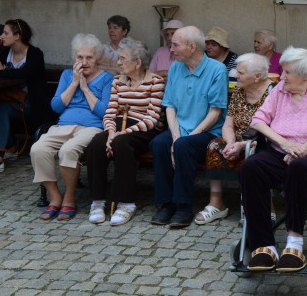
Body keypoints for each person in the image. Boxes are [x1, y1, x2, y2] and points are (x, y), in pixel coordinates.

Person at [240, 47, 307, 272]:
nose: (281, 77)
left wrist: (305, 147)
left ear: (305, 74)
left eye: (287, 72)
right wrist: (286, 144)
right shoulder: (279, 90)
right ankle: (264, 245)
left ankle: (294, 244)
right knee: (251, 166)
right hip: (280, 152)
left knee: (298, 168)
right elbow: (258, 121)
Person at [149, 26, 228, 228]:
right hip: (181, 129)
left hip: (208, 132)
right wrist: (175, 137)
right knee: (159, 143)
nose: (171, 49)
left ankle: (183, 206)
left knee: (185, 146)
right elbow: (170, 106)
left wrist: (184, 139)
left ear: (192, 47)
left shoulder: (217, 70)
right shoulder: (176, 67)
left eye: (175, 44)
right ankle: (166, 204)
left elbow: (215, 112)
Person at [30, 34, 114, 221]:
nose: (84, 62)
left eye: (89, 57)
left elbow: (105, 112)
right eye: (79, 57)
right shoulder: (67, 75)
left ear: (97, 58)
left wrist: (85, 88)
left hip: (91, 128)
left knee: (68, 150)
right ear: (74, 58)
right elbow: (56, 107)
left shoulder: (107, 78)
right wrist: (75, 82)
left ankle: (69, 198)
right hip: (63, 126)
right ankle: (54, 196)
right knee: (38, 149)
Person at [83, 38, 165, 226]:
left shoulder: (155, 81)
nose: (118, 62)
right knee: (97, 142)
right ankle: (97, 201)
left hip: (144, 129)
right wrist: (111, 133)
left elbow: (152, 119)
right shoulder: (118, 81)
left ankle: (126, 202)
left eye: (122, 58)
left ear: (137, 62)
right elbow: (110, 112)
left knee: (122, 143)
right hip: (118, 127)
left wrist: (123, 134)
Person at [196, 53, 272, 225]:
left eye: (240, 72)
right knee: (215, 146)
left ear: (257, 76)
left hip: (263, 141)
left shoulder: (273, 93)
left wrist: (242, 145)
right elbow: (228, 124)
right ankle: (217, 204)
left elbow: (272, 132)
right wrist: (230, 143)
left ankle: (261, 206)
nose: (235, 75)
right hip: (237, 140)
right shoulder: (239, 90)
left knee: (255, 155)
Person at [0, 19, 48, 172]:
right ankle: (10, 144)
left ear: (17, 36)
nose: (2, 36)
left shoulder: (34, 54)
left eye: (6, 33)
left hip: (30, 103)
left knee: (0, 110)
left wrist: (2, 71)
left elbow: (25, 73)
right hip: (8, 98)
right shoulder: (5, 51)